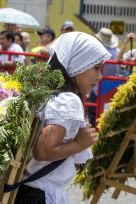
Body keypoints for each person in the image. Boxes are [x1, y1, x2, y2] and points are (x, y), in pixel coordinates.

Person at [14, 31, 111, 203]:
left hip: (30, 191)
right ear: (77, 63)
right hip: (41, 194)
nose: (100, 76)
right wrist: (80, 144)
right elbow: (43, 150)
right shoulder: (68, 100)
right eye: (96, 68)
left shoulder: (51, 94)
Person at [86, 27, 120, 126]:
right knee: (106, 118)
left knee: (93, 114)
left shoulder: (97, 50)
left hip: (97, 88)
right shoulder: (116, 52)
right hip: (111, 89)